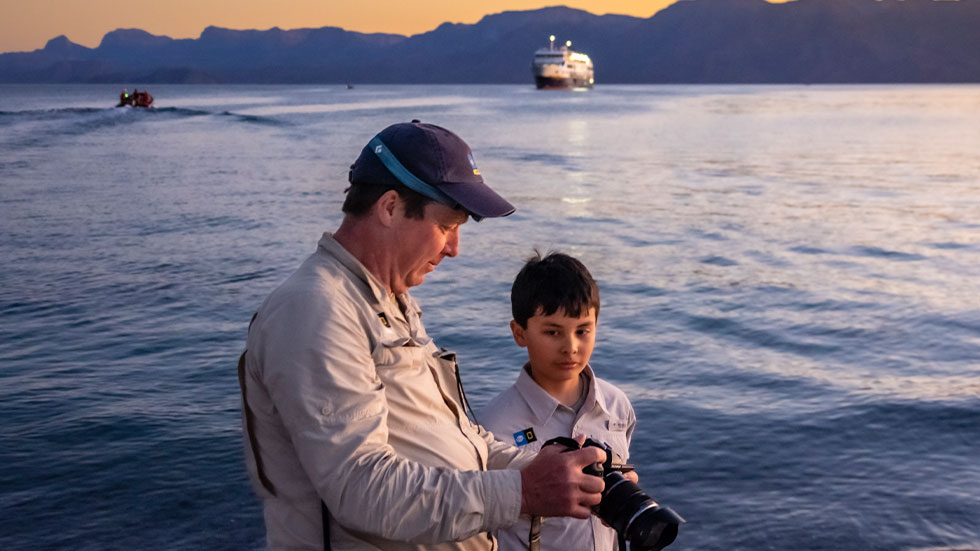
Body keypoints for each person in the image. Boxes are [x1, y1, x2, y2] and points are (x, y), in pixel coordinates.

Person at [238, 121, 607, 551]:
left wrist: (563, 473)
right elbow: (363, 490)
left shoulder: (387, 300)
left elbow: (461, 439)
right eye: (448, 226)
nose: (454, 248)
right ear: (390, 207)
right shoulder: (315, 310)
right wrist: (522, 493)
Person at [478, 252, 637, 551]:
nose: (571, 347)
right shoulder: (493, 425)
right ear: (519, 333)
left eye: (583, 331)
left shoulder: (617, 406)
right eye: (552, 332)